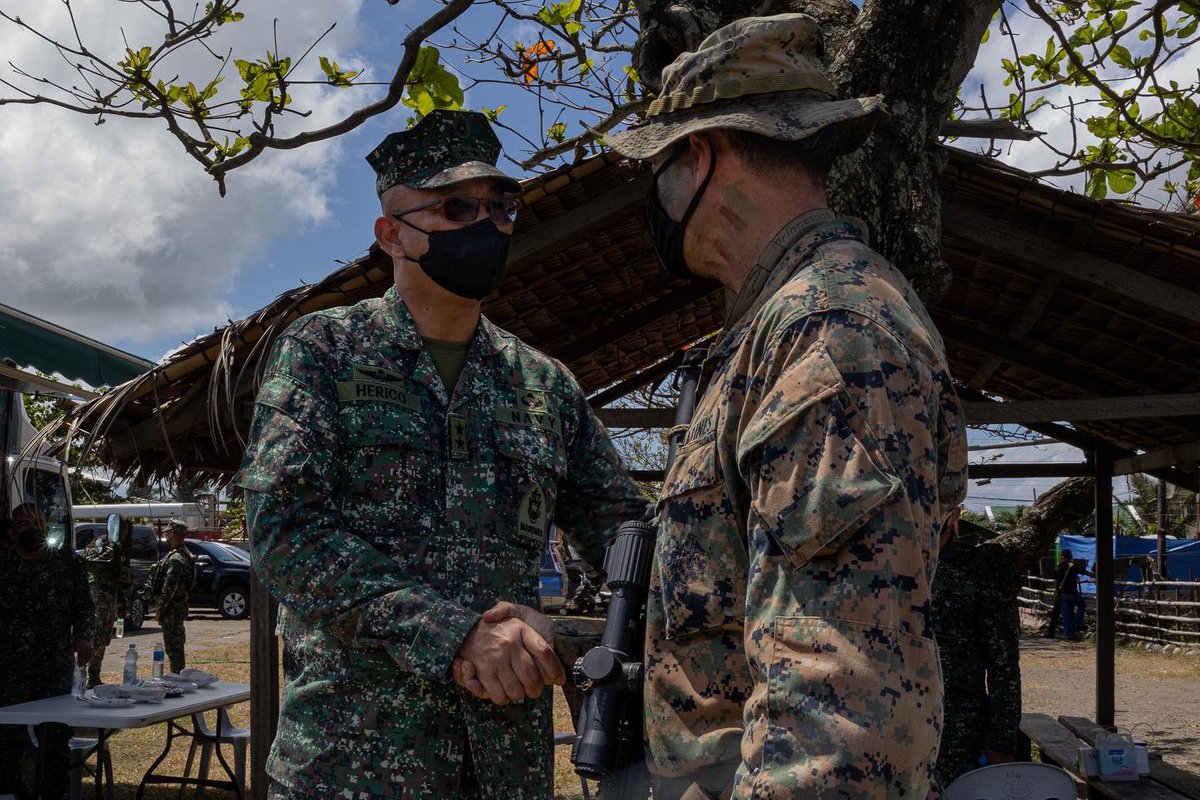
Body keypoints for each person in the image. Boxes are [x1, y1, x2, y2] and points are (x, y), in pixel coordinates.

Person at [604, 14, 969, 799]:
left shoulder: (831, 330)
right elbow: (733, 611)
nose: (654, 194)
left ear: (698, 155)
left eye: (657, 166)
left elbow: (840, 697)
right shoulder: (772, 330)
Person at [238, 108, 646, 799]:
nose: (485, 225)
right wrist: (452, 634)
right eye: (455, 207)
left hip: (503, 767)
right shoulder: (323, 351)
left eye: (501, 207)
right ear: (391, 233)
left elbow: (626, 534)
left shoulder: (542, 383)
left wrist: (566, 636)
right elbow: (282, 530)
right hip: (349, 762)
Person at [0, 503, 94, 799]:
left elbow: (84, 609)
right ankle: (12, 793)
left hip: (53, 670)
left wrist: (83, 639)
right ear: (12, 532)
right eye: (26, 524)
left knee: (55, 743)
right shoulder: (3, 567)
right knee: (6, 745)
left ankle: (52, 795)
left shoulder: (68, 564)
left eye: (40, 522)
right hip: (9, 672)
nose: (35, 529)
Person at [931, 510, 1023, 788]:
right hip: (886, 732)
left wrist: (1001, 741)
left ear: (953, 515)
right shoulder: (883, 564)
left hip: (956, 737)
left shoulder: (978, 567)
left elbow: (1003, 665)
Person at [82, 516, 133, 687]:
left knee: (104, 637)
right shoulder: (99, 544)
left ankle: (95, 674)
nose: (124, 534)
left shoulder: (122, 548)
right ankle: (86, 675)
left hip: (112, 595)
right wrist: (112, 549)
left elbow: (122, 577)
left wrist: (123, 603)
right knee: (96, 636)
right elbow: (92, 563)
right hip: (98, 595)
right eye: (123, 530)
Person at [157, 519, 195, 673]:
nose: (167, 538)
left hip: (173, 609)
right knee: (176, 646)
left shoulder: (177, 559)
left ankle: (177, 677)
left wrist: (160, 610)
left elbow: (169, 588)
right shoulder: (184, 554)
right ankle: (178, 675)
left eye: (168, 534)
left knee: (174, 648)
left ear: (173, 534)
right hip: (178, 606)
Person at [1054, 549, 1094, 641]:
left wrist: (1056, 593)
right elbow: (1087, 573)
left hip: (1063, 593)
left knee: (1066, 615)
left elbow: (1056, 583)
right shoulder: (1074, 566)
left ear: (1062, 557)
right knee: (1082, 606)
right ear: (1070, 556)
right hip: (1073, 592)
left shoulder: (1057, 567)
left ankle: (1068, 635)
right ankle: (1078, 623)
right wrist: (1098, 576)